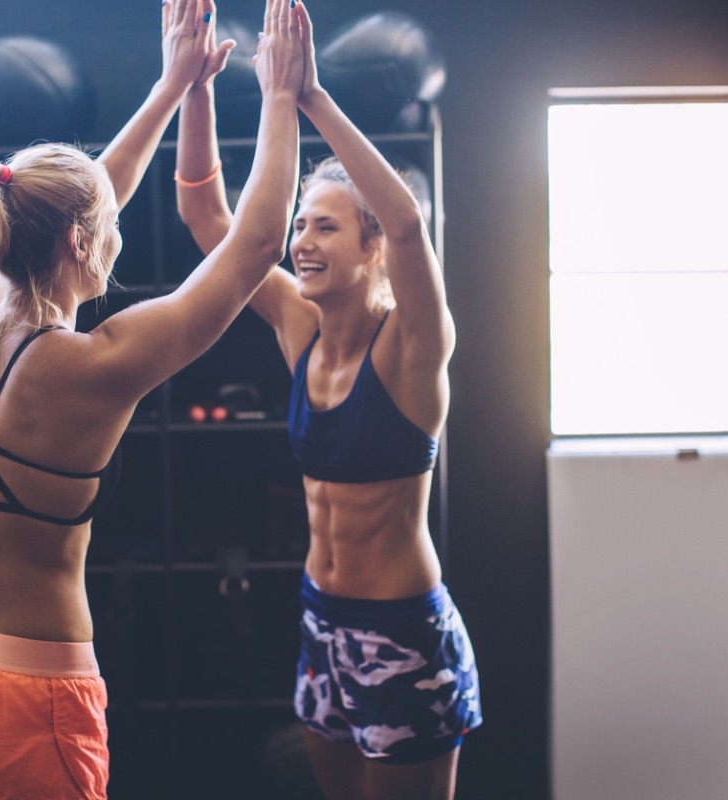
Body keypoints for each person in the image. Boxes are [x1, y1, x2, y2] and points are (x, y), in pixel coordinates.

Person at [0, 1, 303, 797]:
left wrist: (174, 84)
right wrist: (281, 93)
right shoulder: (87, 367)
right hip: (18, 694)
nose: (118, 235)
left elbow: (84, 194)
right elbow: (257, 246)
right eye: (106, 229)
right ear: (76, 243)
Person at [175, 2, 481, 798]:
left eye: (328, 229)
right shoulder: (294, 325)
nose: (302, 242)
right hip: (322, 624)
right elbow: (209, 219)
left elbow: (412, 227)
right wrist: (194, 90)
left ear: (370, 247)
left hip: (402, 637)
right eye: (300, 224)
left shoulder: (414, 348)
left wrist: (308, 97)